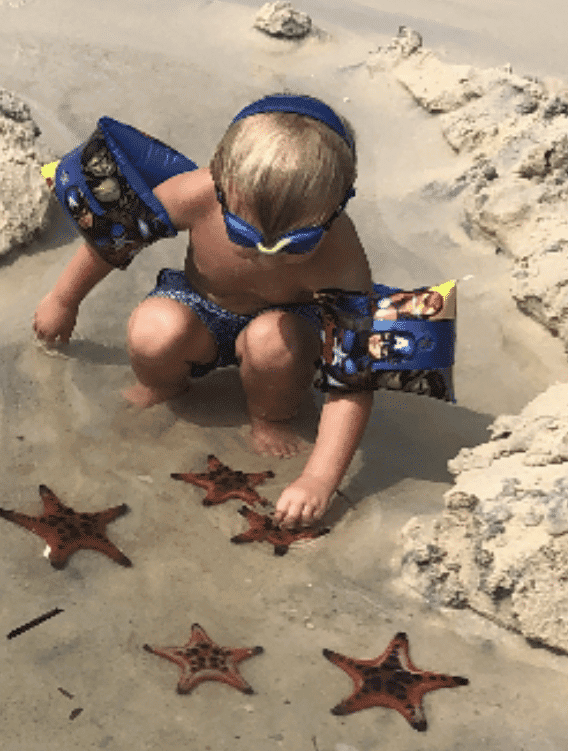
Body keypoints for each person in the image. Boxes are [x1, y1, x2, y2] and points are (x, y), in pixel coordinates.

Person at [32, 95, 374, 528]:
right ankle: (165, 389)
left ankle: (270, 417)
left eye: (296, 245)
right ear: (221, 179)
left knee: (273, 340)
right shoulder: (197, 193)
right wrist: (64, 300)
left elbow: (354, 383)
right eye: (244, 234)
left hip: (288, 327)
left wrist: (319, 479)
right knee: (154, 330)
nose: (268, 258)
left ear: (339, 205)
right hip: (202, 307)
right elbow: (114, 236)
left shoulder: (342, 258)